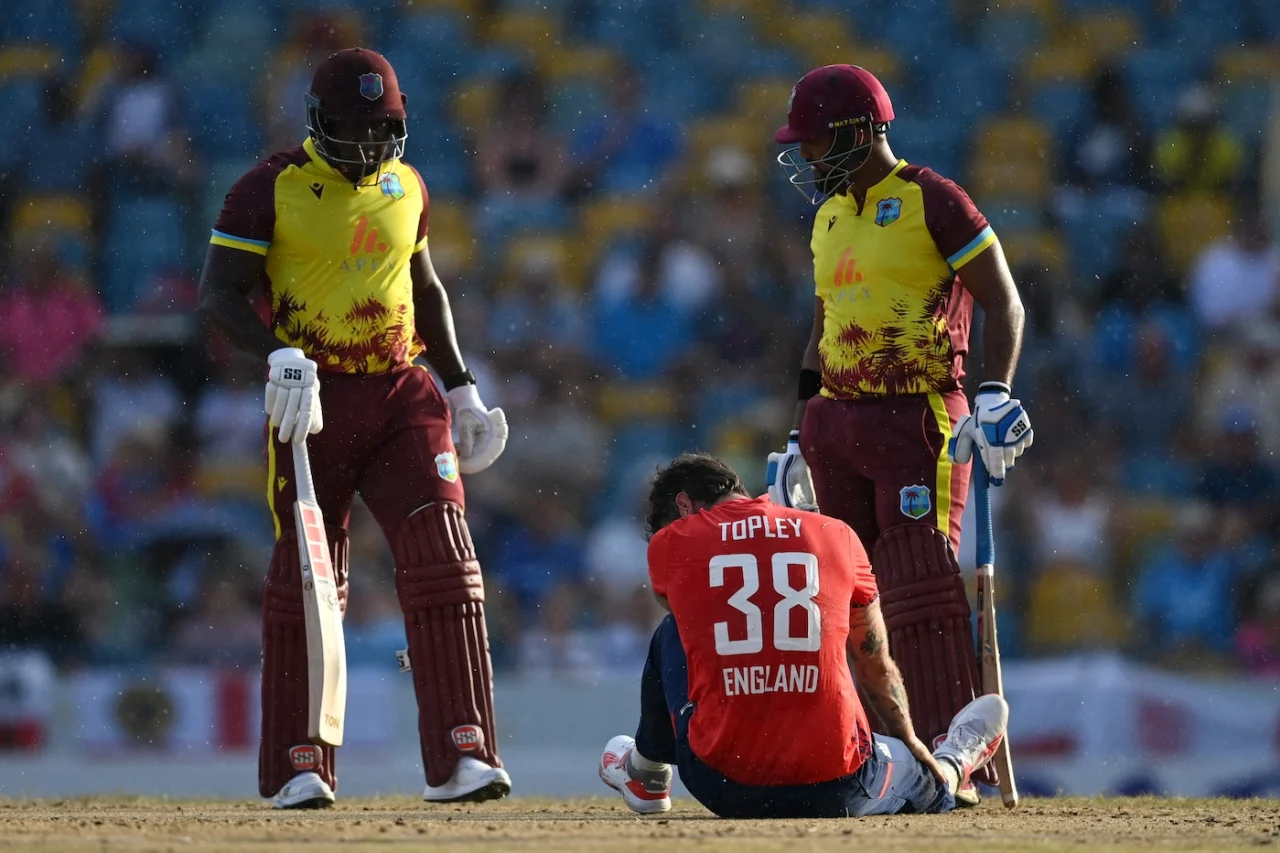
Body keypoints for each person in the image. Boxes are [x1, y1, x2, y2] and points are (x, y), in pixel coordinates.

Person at [197, 48, 511, 809]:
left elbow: (424, 286)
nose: (369, 147)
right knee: (312, 579)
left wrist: (462, 386)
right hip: (311, 400)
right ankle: (299, 764)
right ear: (317, 123)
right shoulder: (267, 189)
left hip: (403, 391)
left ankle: (463, 754)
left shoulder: (408, 186)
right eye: (352, 130)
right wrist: (277, 353)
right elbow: (218, 298)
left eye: (382, 130)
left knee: (444, 557)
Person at [766, 65, 1032, 800]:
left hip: (917, 416)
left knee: (916, 583)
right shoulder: (827, 218)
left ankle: (952, 764)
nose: (806, 158)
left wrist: (995, 390)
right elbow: (820, 334)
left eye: (815, 143)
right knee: (848, 595)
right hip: (835, 423)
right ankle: (875, 756)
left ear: (858, 134)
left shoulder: (931, 199)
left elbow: (1004, 303)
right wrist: (797, 432)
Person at [597, 453, 1008, 818]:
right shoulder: (838, 533)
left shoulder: (672, 543)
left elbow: (694, 618)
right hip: (837, 785)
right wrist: (909, 743)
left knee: (673, 629)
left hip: (724, 785)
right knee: (924, 781)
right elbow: (874, 665)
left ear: (684, 505)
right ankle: (952, 763)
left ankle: (646, 774)